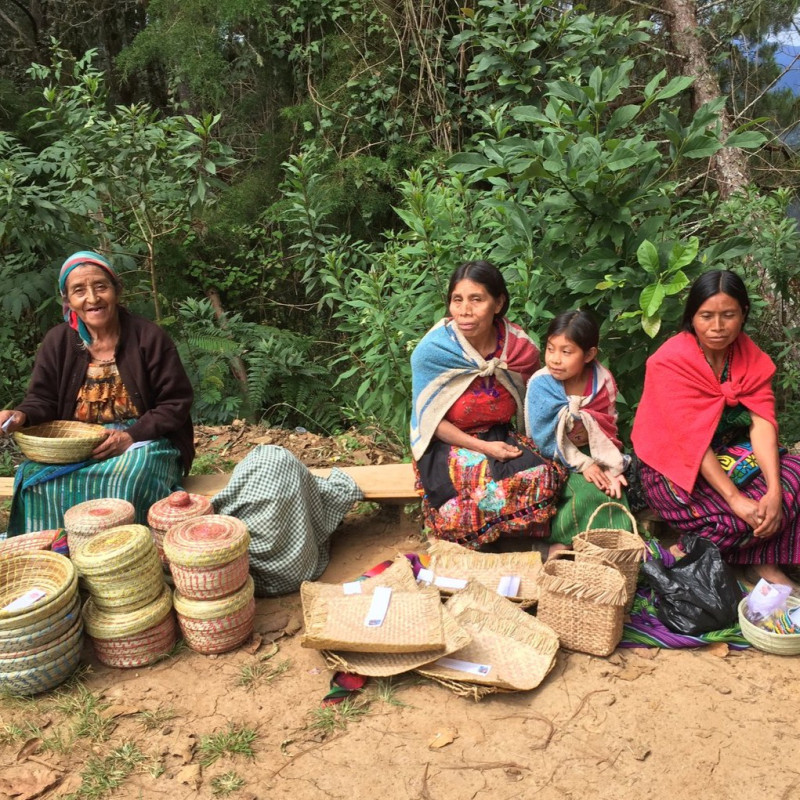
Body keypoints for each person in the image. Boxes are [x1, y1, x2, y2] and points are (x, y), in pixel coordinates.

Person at [1, 250, 194, 535]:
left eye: (101, 287)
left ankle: (129, 554)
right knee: (32, 479)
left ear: (117, 290)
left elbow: (175, 402)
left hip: (145, 441)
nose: (92, 299)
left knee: (128, 479)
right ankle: (57, 553)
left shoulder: (149, 338)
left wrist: (130, 436)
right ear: (68, 300)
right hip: (79, 443)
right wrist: (21, 415)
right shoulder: (58, 342)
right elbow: (43, 399)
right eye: (79, 290)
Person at [631, 269, 800, 586]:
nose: (718, 327)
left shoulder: (749, 356)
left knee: (790, 481)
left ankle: (762, 564)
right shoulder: (671, 361)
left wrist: (775, 492)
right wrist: (735, 498)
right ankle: (685, 554)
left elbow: (762, 423)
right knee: (732, 520)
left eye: (728, 315)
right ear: (692, 316)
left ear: (744, 313)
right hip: (672, 465)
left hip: (729, 453)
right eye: (706, 316)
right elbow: (690, 441)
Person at [410, 260, 565, 550]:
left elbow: (536, 400)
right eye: (457, 300)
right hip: (446, 440)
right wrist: (483, 448)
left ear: (498, 303)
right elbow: (428, 420)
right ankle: (475, 547)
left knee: (541, 473)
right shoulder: (433, 351)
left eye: (476, 299)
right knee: (470, 481)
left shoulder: (518, 348)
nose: (464, 311)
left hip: (500, 433)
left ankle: (517, 541)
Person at [526, 310, 631, 551]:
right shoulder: (541, 383)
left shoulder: (602, 381)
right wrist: (584, 465)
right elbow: (542, 438)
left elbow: (608, 424)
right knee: (589, 493)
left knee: (612, 491)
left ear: (589, 354)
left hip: (596, 452)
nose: (554, 359)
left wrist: (610, 466)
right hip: (553, 456)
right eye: (550, 348)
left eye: (566, 352)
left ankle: (614, 552)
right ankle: (561, 545)